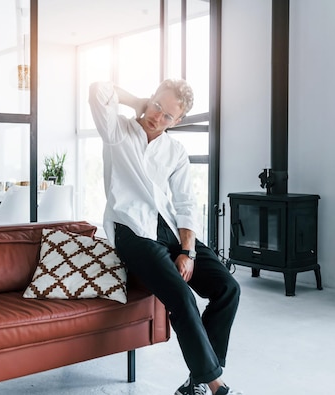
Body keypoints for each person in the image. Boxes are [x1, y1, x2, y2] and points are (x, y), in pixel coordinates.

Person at [89, 80, 242, 395]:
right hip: (133, 231)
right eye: (157, 105)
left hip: (170, 231)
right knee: (181, 296)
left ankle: (195, 383)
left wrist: (188, 251)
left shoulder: (175, 151)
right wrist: (136, 101)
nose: (157, 117)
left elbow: (185, 203)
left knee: (228, 288)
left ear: (178, 121)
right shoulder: (117, 131)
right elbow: (98, 90)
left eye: (168, 116)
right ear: (151, 98)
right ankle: (216, 386)